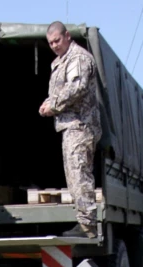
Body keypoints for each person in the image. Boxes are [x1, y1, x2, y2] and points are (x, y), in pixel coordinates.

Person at [39, 21, 102, 238]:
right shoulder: (61, 62)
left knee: (80, 174)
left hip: (81, 125)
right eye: (50, 43)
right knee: (73, 177)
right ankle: (83, 221)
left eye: (57, 40)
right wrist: (49, 102)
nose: (54, 45)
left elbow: (77, 87)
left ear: (67, 36)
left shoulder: (79, 58)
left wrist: (53, 104)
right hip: (70, 126)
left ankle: (88, 226)